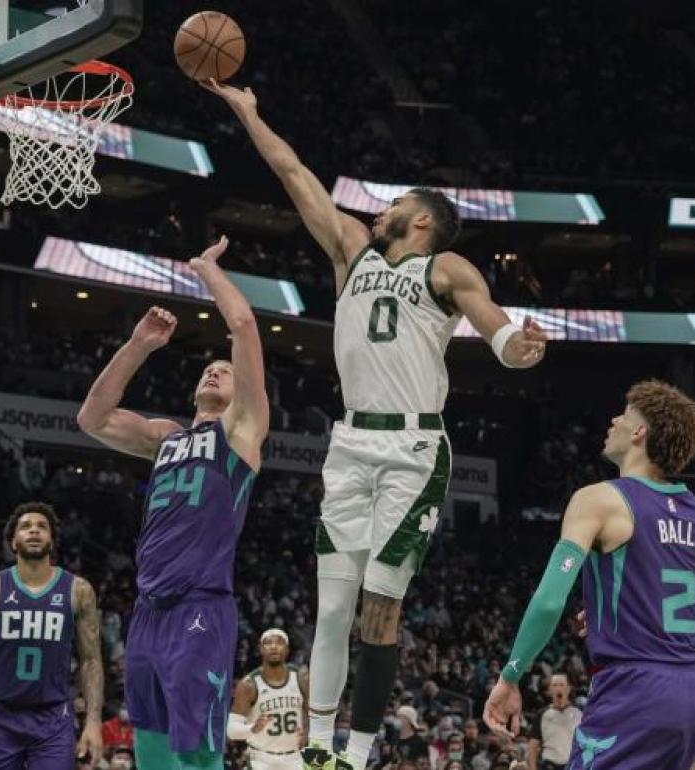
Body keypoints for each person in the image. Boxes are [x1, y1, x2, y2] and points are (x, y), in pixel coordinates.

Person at [204, 81, 548, 770]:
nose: (381, 209)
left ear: (421, 220)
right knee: (331, 612)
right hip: (352, 442)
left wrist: (517, 345)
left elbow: (494, 323)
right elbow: (293, 172)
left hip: (414, 447)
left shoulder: (443, 265)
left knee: (378, 612)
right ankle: (316, 749)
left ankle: (358, 754)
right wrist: (248, 113)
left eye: (395, 203)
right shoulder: (350, 252)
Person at [76, 236, 270, 770]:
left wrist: (207, 271)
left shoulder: (240, 433)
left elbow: (245, 328)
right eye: (206, 369)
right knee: (152, 750)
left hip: (200, 608)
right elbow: (91, 419)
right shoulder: (166, 437)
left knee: (197, 753)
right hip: (148, 612)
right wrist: (138, 346)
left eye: (224, 370)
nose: (213, 371)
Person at [483, 380, 695, 770]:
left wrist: (511, 675)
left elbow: (550, 601)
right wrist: (636, 619)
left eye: (624, 415)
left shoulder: (599, 499)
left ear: (639, 432)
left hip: (634, 691)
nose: (614, 420)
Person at [0, 502, 105, 770]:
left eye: (42, 527)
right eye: (25, 527)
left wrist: (93, 722)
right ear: (13, 542)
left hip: (53, 716)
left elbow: (91, 661)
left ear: (52, 540)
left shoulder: (79, 590)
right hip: (0, 715)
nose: (34, 531)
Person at [228, 629, 309, 770]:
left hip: (296, 758)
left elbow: (315, 714)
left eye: (279, 643)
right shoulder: (248, 685)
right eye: (268, 643)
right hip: (261, 760)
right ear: (261, 649)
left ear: (287, 649)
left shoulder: (301, 678)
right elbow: (231, 731)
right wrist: (252, 728)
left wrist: (309, 732)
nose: (273, 646)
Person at [526, 675, 581, 770]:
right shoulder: (541, 714)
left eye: (562, 685)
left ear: (568, 689)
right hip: (549, 764)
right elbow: (533, 746)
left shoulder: (579, 713)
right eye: (555, 685)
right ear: (550, 690)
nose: (558, 688)